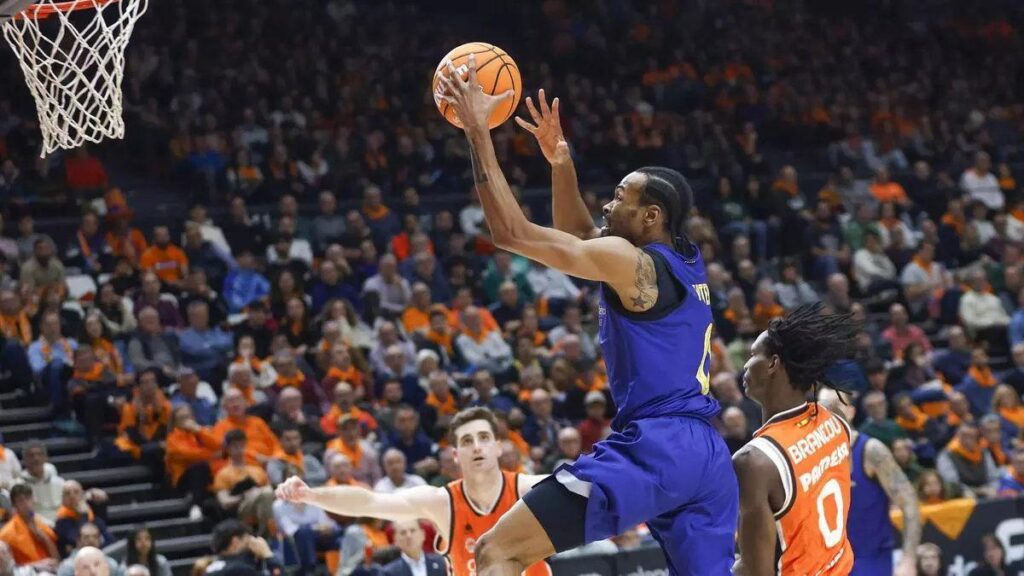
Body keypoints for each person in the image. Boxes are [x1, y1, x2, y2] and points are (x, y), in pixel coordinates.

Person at [434, 79, 736, 574]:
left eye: (620, 198)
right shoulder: (684, 257)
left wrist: (476, 134)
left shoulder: (632, 262)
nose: (608, 205)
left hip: (659, 448)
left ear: (651, 215)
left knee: (496, 551)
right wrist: (560, 161)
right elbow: (578, 237)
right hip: (706, 454)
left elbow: (510, 233)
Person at [276, 407, 550, 576]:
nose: (477, 447)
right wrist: (311, 495)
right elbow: (369, 502)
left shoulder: (528, 489)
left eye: (484, 438)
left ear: (498, 447)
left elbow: (584, 485)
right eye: (467, 441)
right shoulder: (442, 502)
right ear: (455, 455)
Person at [732, 303, 859, 575]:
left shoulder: (754, 462)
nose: (745, 364)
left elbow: (755, 572)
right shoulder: (836, 420)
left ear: (773, 364)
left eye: (753, 355)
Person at [819, 390, 920, 576]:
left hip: (870, 562)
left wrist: (908, 559)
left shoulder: (870, 451)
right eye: (822, 407)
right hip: (829, 564)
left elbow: (909, 502)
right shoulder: (812, 458)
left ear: (850, 411)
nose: (828, 412)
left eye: (835, 405)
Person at [0, 485, 58, 572]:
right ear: (14, 506)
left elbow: (57, 559)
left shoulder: (43, 525)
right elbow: (6, 570)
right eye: (20, 501)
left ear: (33, 499)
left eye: (28, 498)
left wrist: (44, 538)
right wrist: (35, 566)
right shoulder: (6, 534)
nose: (26, 504)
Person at [204, 519, 282, 576]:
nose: (251, 547)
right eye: (248, 542)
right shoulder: (240, 570)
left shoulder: (210, 569)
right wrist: (267, 554)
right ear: (235, 542)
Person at [382, 520, 446, 576]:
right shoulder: (388, 573)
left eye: (413, 530)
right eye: (403, 533)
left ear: (423, 534)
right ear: (395, 539)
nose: (409, 536)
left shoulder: (442, 563)